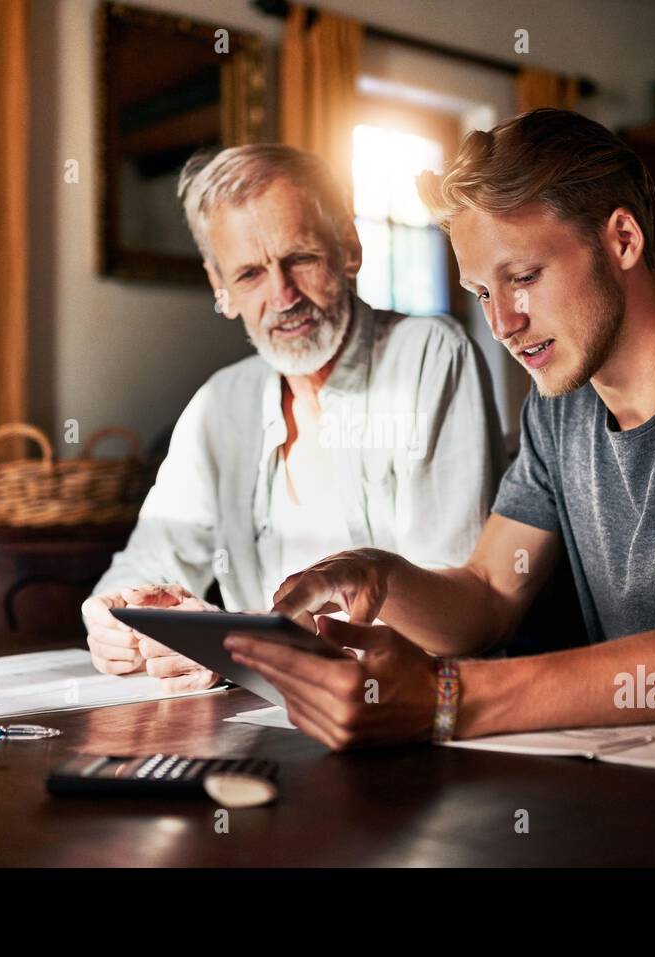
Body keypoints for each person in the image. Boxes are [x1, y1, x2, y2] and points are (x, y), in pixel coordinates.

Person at [233, 109, 655, 749]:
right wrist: (379, 573)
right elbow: (488, 594)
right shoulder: (557, 409)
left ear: (623, 240)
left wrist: (449, 696)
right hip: (653, 776)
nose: (502, 324)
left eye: (522, 277)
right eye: (482, 292)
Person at [84, 144, 505, 692]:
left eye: (300, 258)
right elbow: (143, 567)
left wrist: (240, 646)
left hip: (408, 717)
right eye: (251, 273)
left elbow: (454, 623)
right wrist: (116, 619)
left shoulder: (430, 355)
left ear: (349, 248)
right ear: (221, 288)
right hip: (264, 723)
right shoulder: (219, 404)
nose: (282, 296)